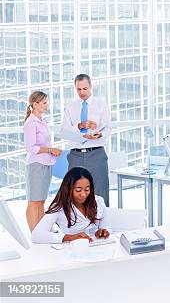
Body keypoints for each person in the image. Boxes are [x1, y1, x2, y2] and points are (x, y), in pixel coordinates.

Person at [61, 74, 112, 206]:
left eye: (85, 88)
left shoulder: (101, 105)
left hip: (96, 153)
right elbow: (64, 133)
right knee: (74, 191)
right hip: (75, 154)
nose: (82, 92)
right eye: (79, 89)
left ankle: (101, 224)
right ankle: (78, 224)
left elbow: (108, 128)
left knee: (100, 191)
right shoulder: (71, 107)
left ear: (90, 87)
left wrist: (99, 135)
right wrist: (80, 126)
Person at [31, 167, 111, 244]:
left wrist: (103, 232)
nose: (83, 194)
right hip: (74, 251)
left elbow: (107, 227)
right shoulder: (59, 207)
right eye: (78, 190)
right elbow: (36, 235)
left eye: (87, 189)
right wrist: (70, 237)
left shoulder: (99, 201)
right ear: (68, 189)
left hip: (98, 248)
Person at [23, 91, 62, 231]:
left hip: (46, 164)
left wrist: (51, 151)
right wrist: (51, 150)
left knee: (41, 201)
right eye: (44, 103)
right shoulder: (30, 122)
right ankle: (34, 233)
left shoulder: (42, 121)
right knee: (34, 201)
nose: (47, 105)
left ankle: (40, 231)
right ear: (35, 104)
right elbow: (31, 148)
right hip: (36, 165)